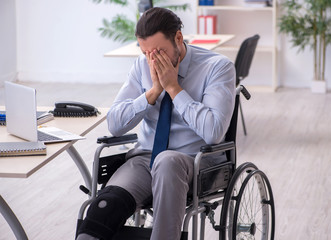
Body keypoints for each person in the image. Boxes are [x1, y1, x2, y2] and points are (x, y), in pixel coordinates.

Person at [77, 7, 235, 240]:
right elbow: (115, 124)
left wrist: (174, 88)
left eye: (159, 51)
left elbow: (213, 133)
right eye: (146, 52)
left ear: (178, 38)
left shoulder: (217, 67)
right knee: (106, 207)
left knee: (167, 160)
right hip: (145, 160)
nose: (153, 59)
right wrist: (152, 93)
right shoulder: (141, 65)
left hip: (195, 163)